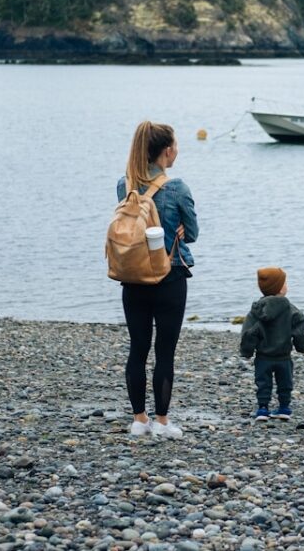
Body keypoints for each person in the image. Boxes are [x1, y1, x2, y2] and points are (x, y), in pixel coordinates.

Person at [117, 121, 198, 438]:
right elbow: (191, 233)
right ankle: (162, 422)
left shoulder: (124, 185)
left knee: (137, 348)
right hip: (170, 275)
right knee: (165, 351)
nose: (177, 150)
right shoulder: (178, 188)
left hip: (133, 277)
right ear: (167, 150)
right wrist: (177, 229)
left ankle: (139, 420)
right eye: (176, 145)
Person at [239, 267, 304, 421]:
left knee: (263, 382)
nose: (286, 286)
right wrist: (302, 347)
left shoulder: (256, 310)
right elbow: (299, 332)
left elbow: (248, 333)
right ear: (280, 287)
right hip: (284, 356)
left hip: (263, 356)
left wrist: (246, 351)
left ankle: (263, 408)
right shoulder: (292, 310)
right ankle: (284, 407)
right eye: (285, 283)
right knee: (285, 382)